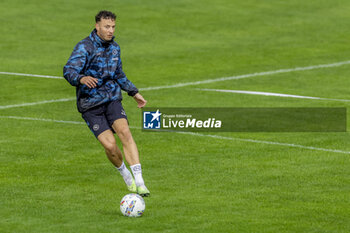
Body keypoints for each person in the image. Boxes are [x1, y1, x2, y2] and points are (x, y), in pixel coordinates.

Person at [63, 10, 150, 197]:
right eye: (107, 27)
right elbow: (68, 70)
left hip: (111, 99)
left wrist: (134, 92)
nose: (110, 31)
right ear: (97, 26)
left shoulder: (115, 48)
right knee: (110, 146)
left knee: (124, 132)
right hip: (90, 105)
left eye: (113, 27)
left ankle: (140, 182)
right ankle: (125, 175)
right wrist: (81, 78)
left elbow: (118, 74)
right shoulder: (84, 47)